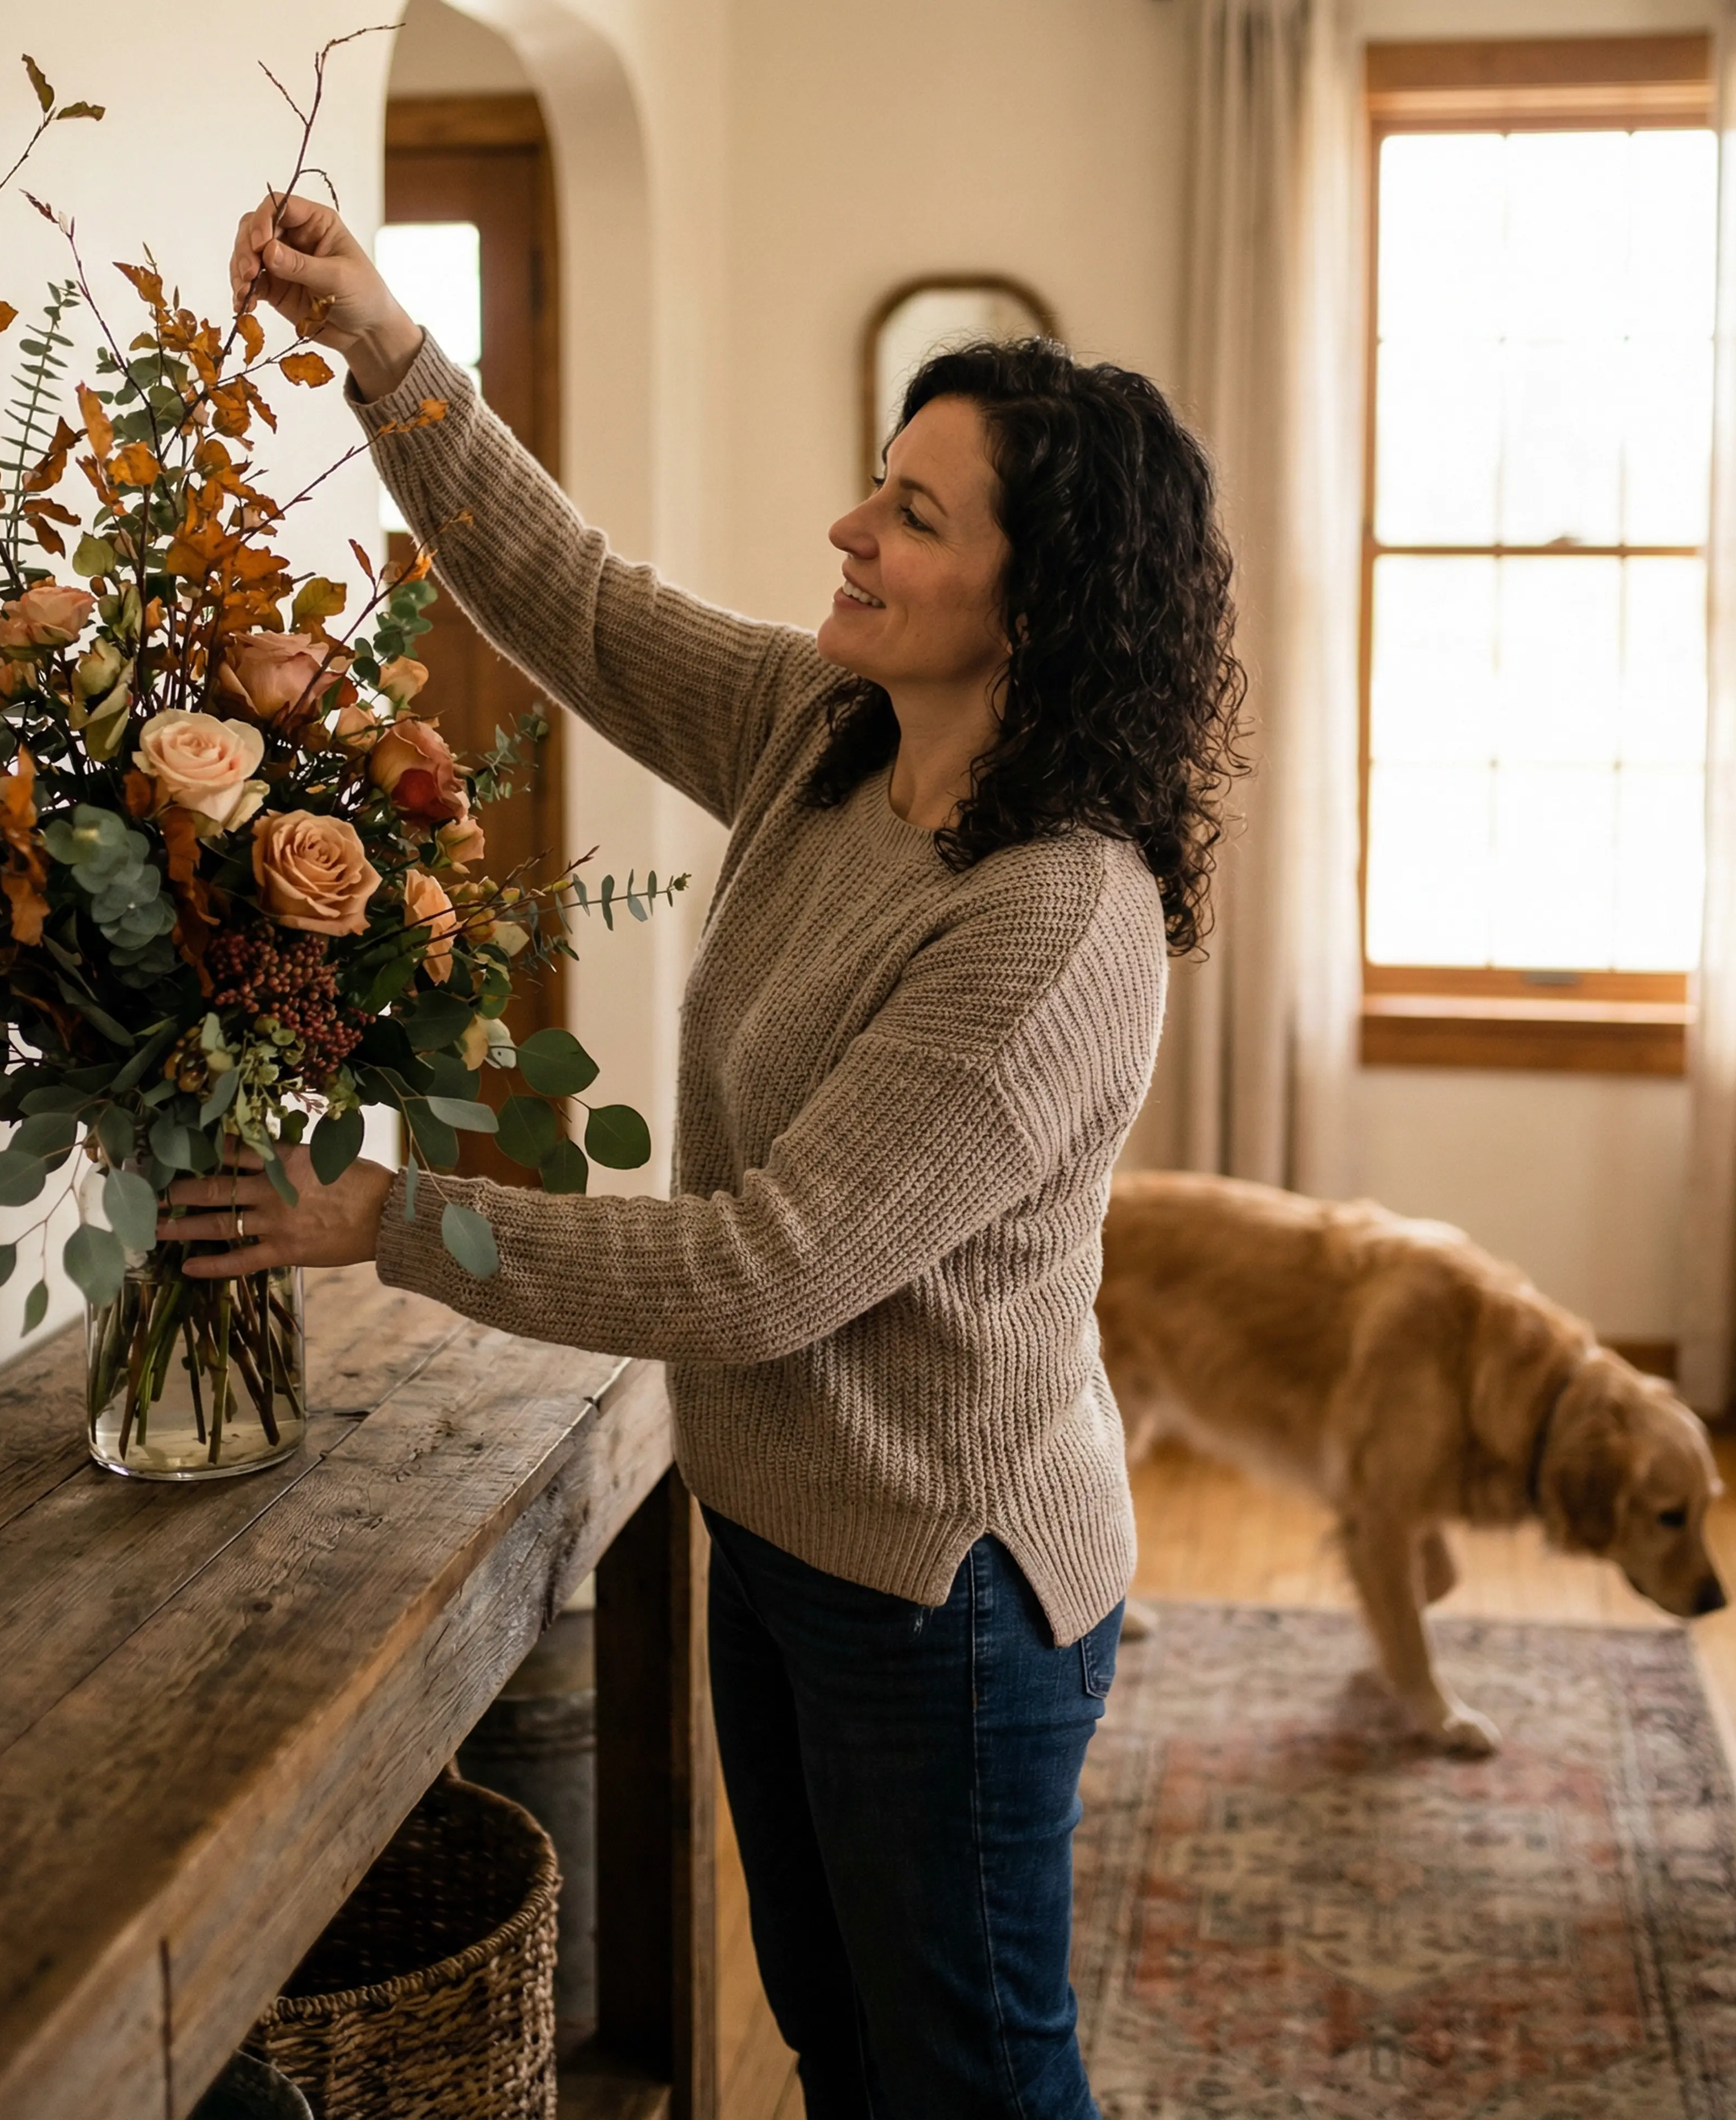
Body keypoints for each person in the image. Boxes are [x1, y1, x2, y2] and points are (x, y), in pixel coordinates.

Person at [174, 194, 1246, 2120]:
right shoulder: (824, 730)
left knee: (972, 2080)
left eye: (916, 516)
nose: (853, 528)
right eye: (875, 487)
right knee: (843, 2043)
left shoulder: (1052, 914)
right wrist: (387, 346)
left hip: (946, 1587)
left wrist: (390, 1220)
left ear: (1041, 601)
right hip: (777, 1531)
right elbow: (570, 596)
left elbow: (766, 1268)